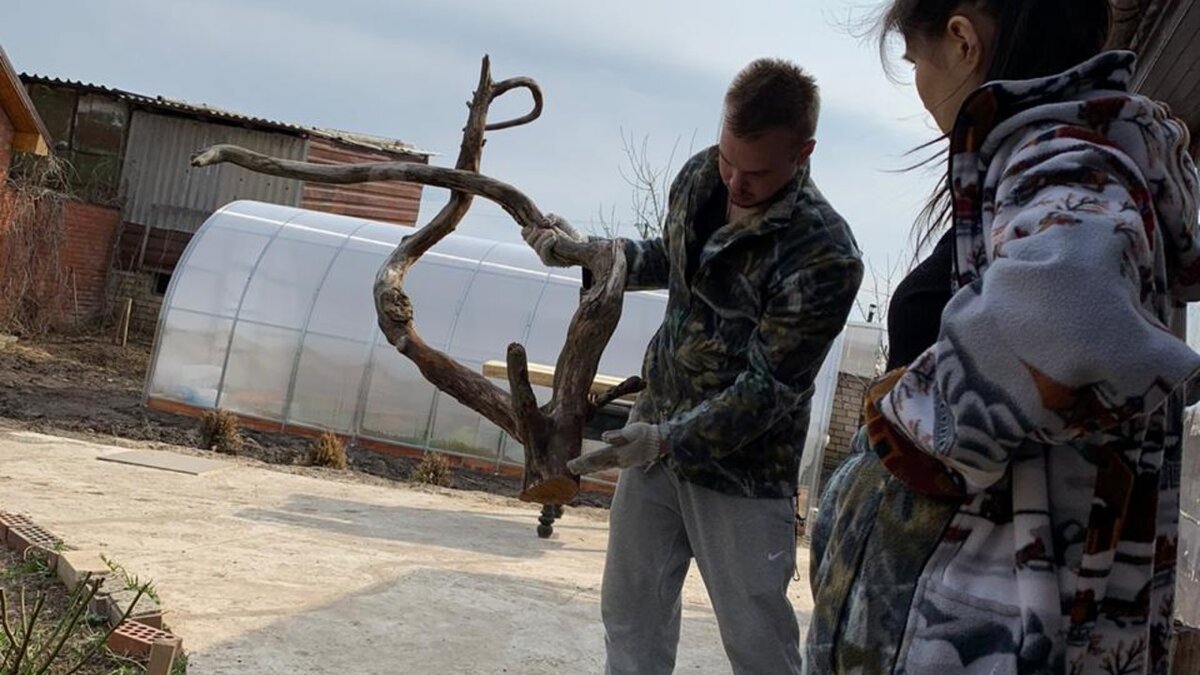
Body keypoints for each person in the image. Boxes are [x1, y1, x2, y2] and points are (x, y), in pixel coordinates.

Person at [806, 1, 1200, 674]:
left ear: (961, 41)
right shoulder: (1071, 158)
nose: (922, 89)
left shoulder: (1060, 157)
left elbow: (1074, 321)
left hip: (983, 639)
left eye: (914, 62)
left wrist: (909, 422)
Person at [523, 58, 863, 674]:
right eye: (729, 157)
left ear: (804, 152)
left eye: (755, 172)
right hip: (652, 437)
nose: (735, 181)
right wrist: (596, 254)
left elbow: (770, 390)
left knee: (756, 643)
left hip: (742, 473)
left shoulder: (825, 254)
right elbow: (673, 258)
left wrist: (663, 441)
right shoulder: (701, 177)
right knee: (630, 617)